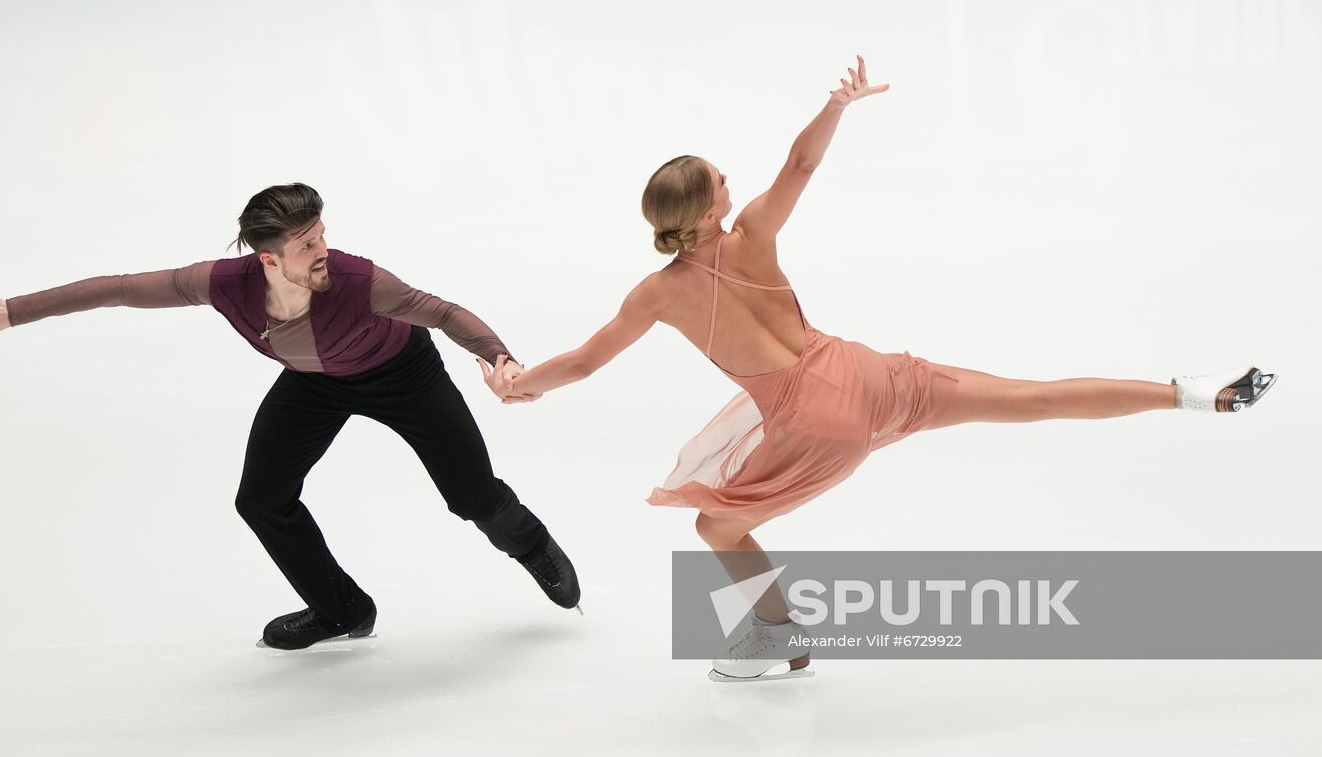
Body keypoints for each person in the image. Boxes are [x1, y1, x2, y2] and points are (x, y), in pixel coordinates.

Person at [479, 57, 1275, 681]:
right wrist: (839, 105)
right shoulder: (753, 232)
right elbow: (799, 164)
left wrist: (517, 385)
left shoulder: (656, 296)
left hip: (818, 421)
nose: (734, 180)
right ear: (710, 210)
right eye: (722, 178)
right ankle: (1190, 392)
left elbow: (582, 363)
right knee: (1027, 398)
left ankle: (777, 637)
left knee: (716, 522)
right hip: (865, 375)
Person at [0, 183, 581, 651]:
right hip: (313, 384)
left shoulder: (361, 282)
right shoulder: (223, 283)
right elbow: (119, 287)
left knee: (471, 496)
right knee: (261, 499)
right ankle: (341, 611)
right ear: (269, 259)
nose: (324, 250)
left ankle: (534, 548)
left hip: (402, 376)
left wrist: (502, 361)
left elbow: (441, 312)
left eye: (323, 235)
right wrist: (14, 310)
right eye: (308, 244)